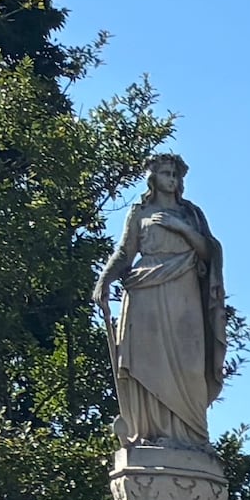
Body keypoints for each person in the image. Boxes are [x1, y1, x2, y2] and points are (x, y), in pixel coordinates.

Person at [101, 152, 225, 449]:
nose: (172, 180)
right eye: (166, 173)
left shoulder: (190, 214)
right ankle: (150, 433)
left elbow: (210, 251)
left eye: (175, 175)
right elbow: (124, 253)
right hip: (145, 291)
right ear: (153, 178)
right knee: (146, 361)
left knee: (190, 363)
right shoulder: (139, 212)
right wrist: (104, 280)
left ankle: (191, 435)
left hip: (183, 288)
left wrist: (181, 229)